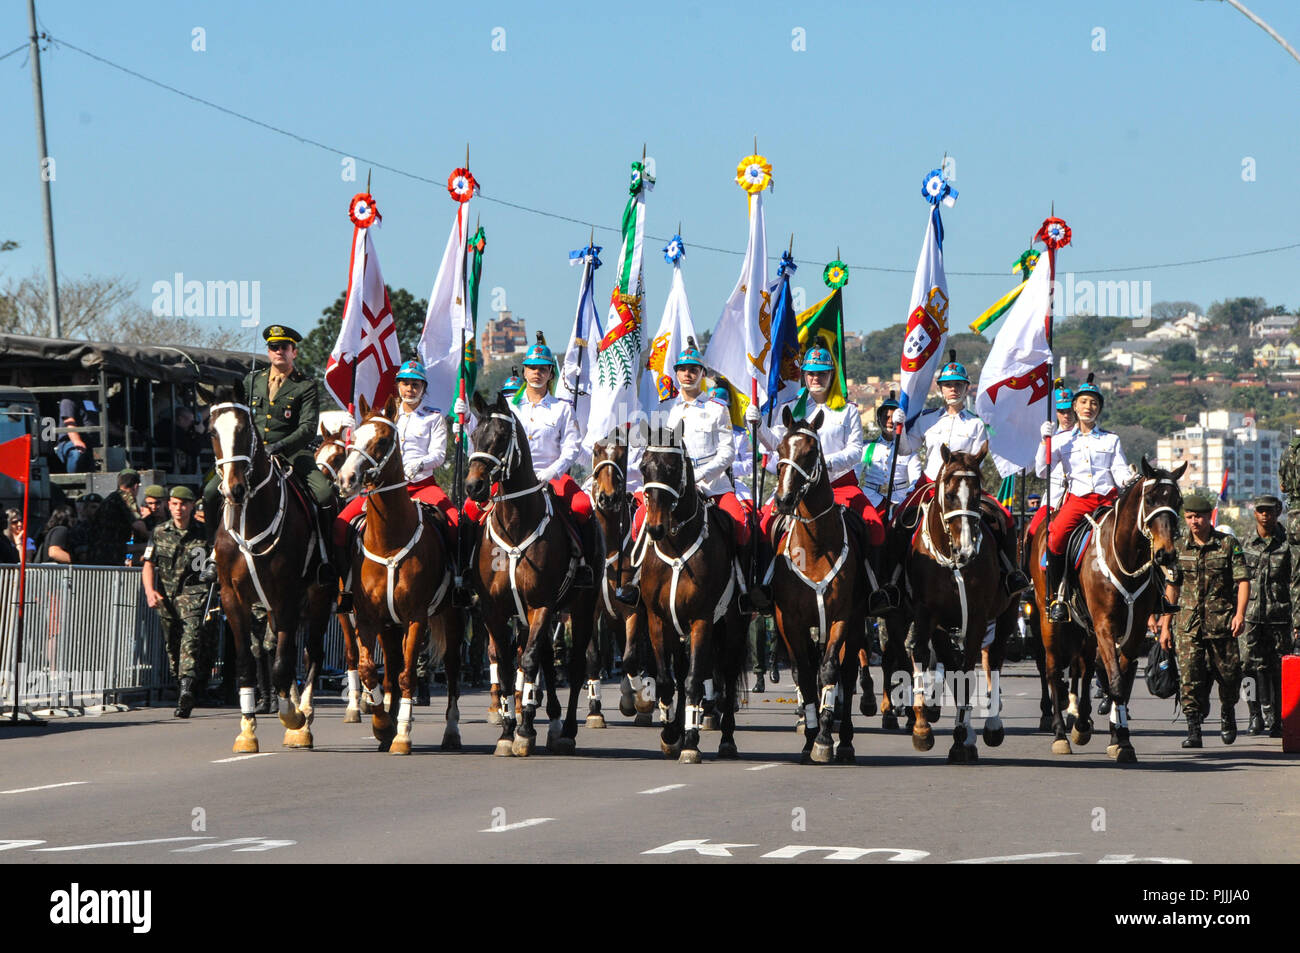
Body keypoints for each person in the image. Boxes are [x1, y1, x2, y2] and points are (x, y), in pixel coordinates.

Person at [750, 344, 888, 611]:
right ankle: (764, 586)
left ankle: (874, 589)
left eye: (822, 373)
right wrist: (757, 427)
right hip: (798, 488)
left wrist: (823, 464)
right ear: (804, 375)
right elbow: (776, 445)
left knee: (875, 526)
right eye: (811, 373)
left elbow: (855, 451)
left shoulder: (847, 410)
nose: (816, 378)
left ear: (831, 375)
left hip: (840, 486)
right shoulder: (791, 408)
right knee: (765, 523)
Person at [201, 324, 334, 584]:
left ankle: (326, 558)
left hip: (292, 454)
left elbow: (307, 428)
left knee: (325, 494)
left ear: (294, 351)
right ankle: (212, 554)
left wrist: (280, 446)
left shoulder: (305, 386)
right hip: (250, 454)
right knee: (208, 492)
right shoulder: (252, 381)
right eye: (274, 347)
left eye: (284, 347)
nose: (279, 351)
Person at [890, 351, 1030, 596]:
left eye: (958, 385)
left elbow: (978, 462)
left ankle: (1011, 573)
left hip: (965, 489)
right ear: (940, 389)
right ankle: (892, 581)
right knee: (897, 522)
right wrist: (899, 428)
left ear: (966, 388)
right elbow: (905, 448)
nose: (952, 389)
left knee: (1004, 518)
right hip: (930, 486)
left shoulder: (976, 424)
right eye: (948, 385)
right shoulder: (927, 419)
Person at [475, 336, 594, 588]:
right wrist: (464, 421)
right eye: (532, 367)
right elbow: (485, 440)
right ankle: (467, 570)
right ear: (525, 370)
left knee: (583, 506)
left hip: (552, 475)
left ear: (551, 373)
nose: (537, 373)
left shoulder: (562, 409)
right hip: (510, 478)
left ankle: (585, 566)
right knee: (470, 509)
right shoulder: (508, 408)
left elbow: (572, 447)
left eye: (542, 368)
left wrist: (552, 472)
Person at [1033, 374, 1134, 623]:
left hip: (1108, 501)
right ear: (1075, 407)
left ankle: (1155, 596)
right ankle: (1058, 596)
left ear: (1098, 409)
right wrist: (1043, 442)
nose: (1088, 407)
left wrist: (1128, 479)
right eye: (1084, 402)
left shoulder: (1111, 439)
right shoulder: (1061, 440)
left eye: (1094, 403)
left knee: (1138, 533)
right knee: (1055, 538)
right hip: (1079, 500)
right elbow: (1042, 471)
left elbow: (1118, 471)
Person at [1159, 493, 1249, 748]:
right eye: (1189, 517)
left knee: (1230, 677)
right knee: (1189, 677)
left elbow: (1243, 582)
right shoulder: (1178, 547)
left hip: (1222, 623)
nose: (1194, 521)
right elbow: (1172, 588)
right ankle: (1193, 728)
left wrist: (1240, 614)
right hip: (1188, 625)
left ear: (1208, 516)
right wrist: (1165, 626)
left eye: (1198, 516)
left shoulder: (1228, 544)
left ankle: (1227, 712)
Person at [142, 487, 215, 719]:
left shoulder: (204, 534)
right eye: (174, 503)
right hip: (166, 598)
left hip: (194, 594)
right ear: (168, 505)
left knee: (190, 640)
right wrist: (150, 591)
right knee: (172, 647)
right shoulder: (160, 532)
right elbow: (148, 564)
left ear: (192, 506)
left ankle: (186, 690)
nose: (178, 508)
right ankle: (181, 682)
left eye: (183, 504)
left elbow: (213, 563)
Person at [1239, 495, 1290, 738]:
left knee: (1279, 670)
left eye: (1269, 511)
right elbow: (1237, 582)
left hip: (1280, 617)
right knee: (1247, 668)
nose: (1265, 515)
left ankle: (1279, 719)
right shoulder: (1245, 544)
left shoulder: (1288, 544)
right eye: (1260, 511)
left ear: (1278, 512)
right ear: (1255, 513)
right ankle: (1254, 714)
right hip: (1250, 618)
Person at [1023, 385, 1075, 545]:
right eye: (1061, 411)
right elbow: (1041, 471)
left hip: (1076, 495)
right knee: (1031, 533)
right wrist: (1045, 441)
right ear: (1055, 413)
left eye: (1069, 411)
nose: (1066, 415)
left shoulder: (1085, 436)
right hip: (1054, 498)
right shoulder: (1051, 438)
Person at [860, 393, 922, 521]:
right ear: (878, 420)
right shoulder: (866, 449)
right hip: (871, 500)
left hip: (899, 503)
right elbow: (855, 475)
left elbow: (915, 481)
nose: (889, 421)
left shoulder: (909, 451)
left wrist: (906, 500)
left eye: (893, 418)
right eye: (886, 417)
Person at [88, 469, 147, 566]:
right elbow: (139, 526)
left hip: (96, 554)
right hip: (113, 555)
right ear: (136, 486)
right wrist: (152, 536)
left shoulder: (109, 499)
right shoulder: (127, 498)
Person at [1277, 429, 1300, 654]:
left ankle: (1298, 627)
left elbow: (1282, 486)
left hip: (1295, 519)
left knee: (1296, 576)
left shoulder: (1288, 452)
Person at [53, 381, 98, 474]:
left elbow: (104, 423)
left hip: (91, 442)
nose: (84, 380)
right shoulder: (68, 401)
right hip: (69, 441)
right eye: (80, 377)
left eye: (87, 377)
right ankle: (73, 481)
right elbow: (69, 422)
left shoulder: (90, 402)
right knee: (76, 452)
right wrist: (77, 441)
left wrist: (122, 433)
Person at [68, 493, 101, 563]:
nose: (97, 510)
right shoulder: (79, 529)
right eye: (93, 507)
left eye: (100, 507)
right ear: (85, 509)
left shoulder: (104, 528)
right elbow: (83, 557)